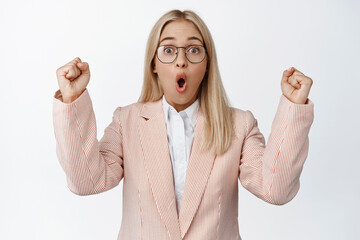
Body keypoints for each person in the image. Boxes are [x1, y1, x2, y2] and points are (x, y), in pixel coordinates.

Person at [53, 9, 314, 240]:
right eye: (168, 50)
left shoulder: (239, 125)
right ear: (153, 64)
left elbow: (276, 189)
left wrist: (293, 108)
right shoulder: (127, 122)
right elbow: (86, 181)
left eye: (193, 50)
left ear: (207, 64)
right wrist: (72, 98)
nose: (181, 60)